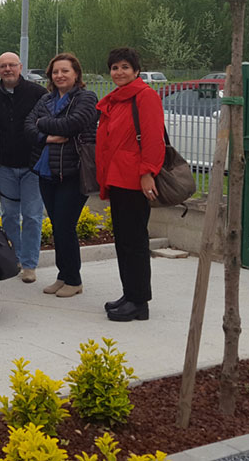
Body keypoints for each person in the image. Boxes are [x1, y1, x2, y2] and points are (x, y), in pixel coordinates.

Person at [96, 47, 164, 322]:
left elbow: (153, 138)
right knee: (123, 241)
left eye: (125, 67)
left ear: (136, 71)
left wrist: (148, 172)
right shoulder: (116, 100)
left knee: (135, 241)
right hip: (118, 179)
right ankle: (130, 293)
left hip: (135, 180)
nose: (119, 72)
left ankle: (139, 302)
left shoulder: (145, 97)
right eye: (114, 67)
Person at [26, 53, 98, 299]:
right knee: (57, 226)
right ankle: (63, 275)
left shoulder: (86, 98)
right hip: (47, 172)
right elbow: (27, 126)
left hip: (73, 172)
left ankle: (74, 279)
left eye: (65, 71)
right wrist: (45, 136)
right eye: (55, 72)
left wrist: (42, 124)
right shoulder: (46, 99)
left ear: (76, 73)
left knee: (66, 225)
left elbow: (74, 124)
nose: (59, 76)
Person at [0, 52, 47, 283]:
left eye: (12, 65)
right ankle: (15, 260)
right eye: (3, 66)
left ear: (20, 67)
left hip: (32, 167)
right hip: (5, 168)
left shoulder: (38, 94)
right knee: (9, 216)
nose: (8, 69)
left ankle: (30, 265)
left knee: (32, 216)